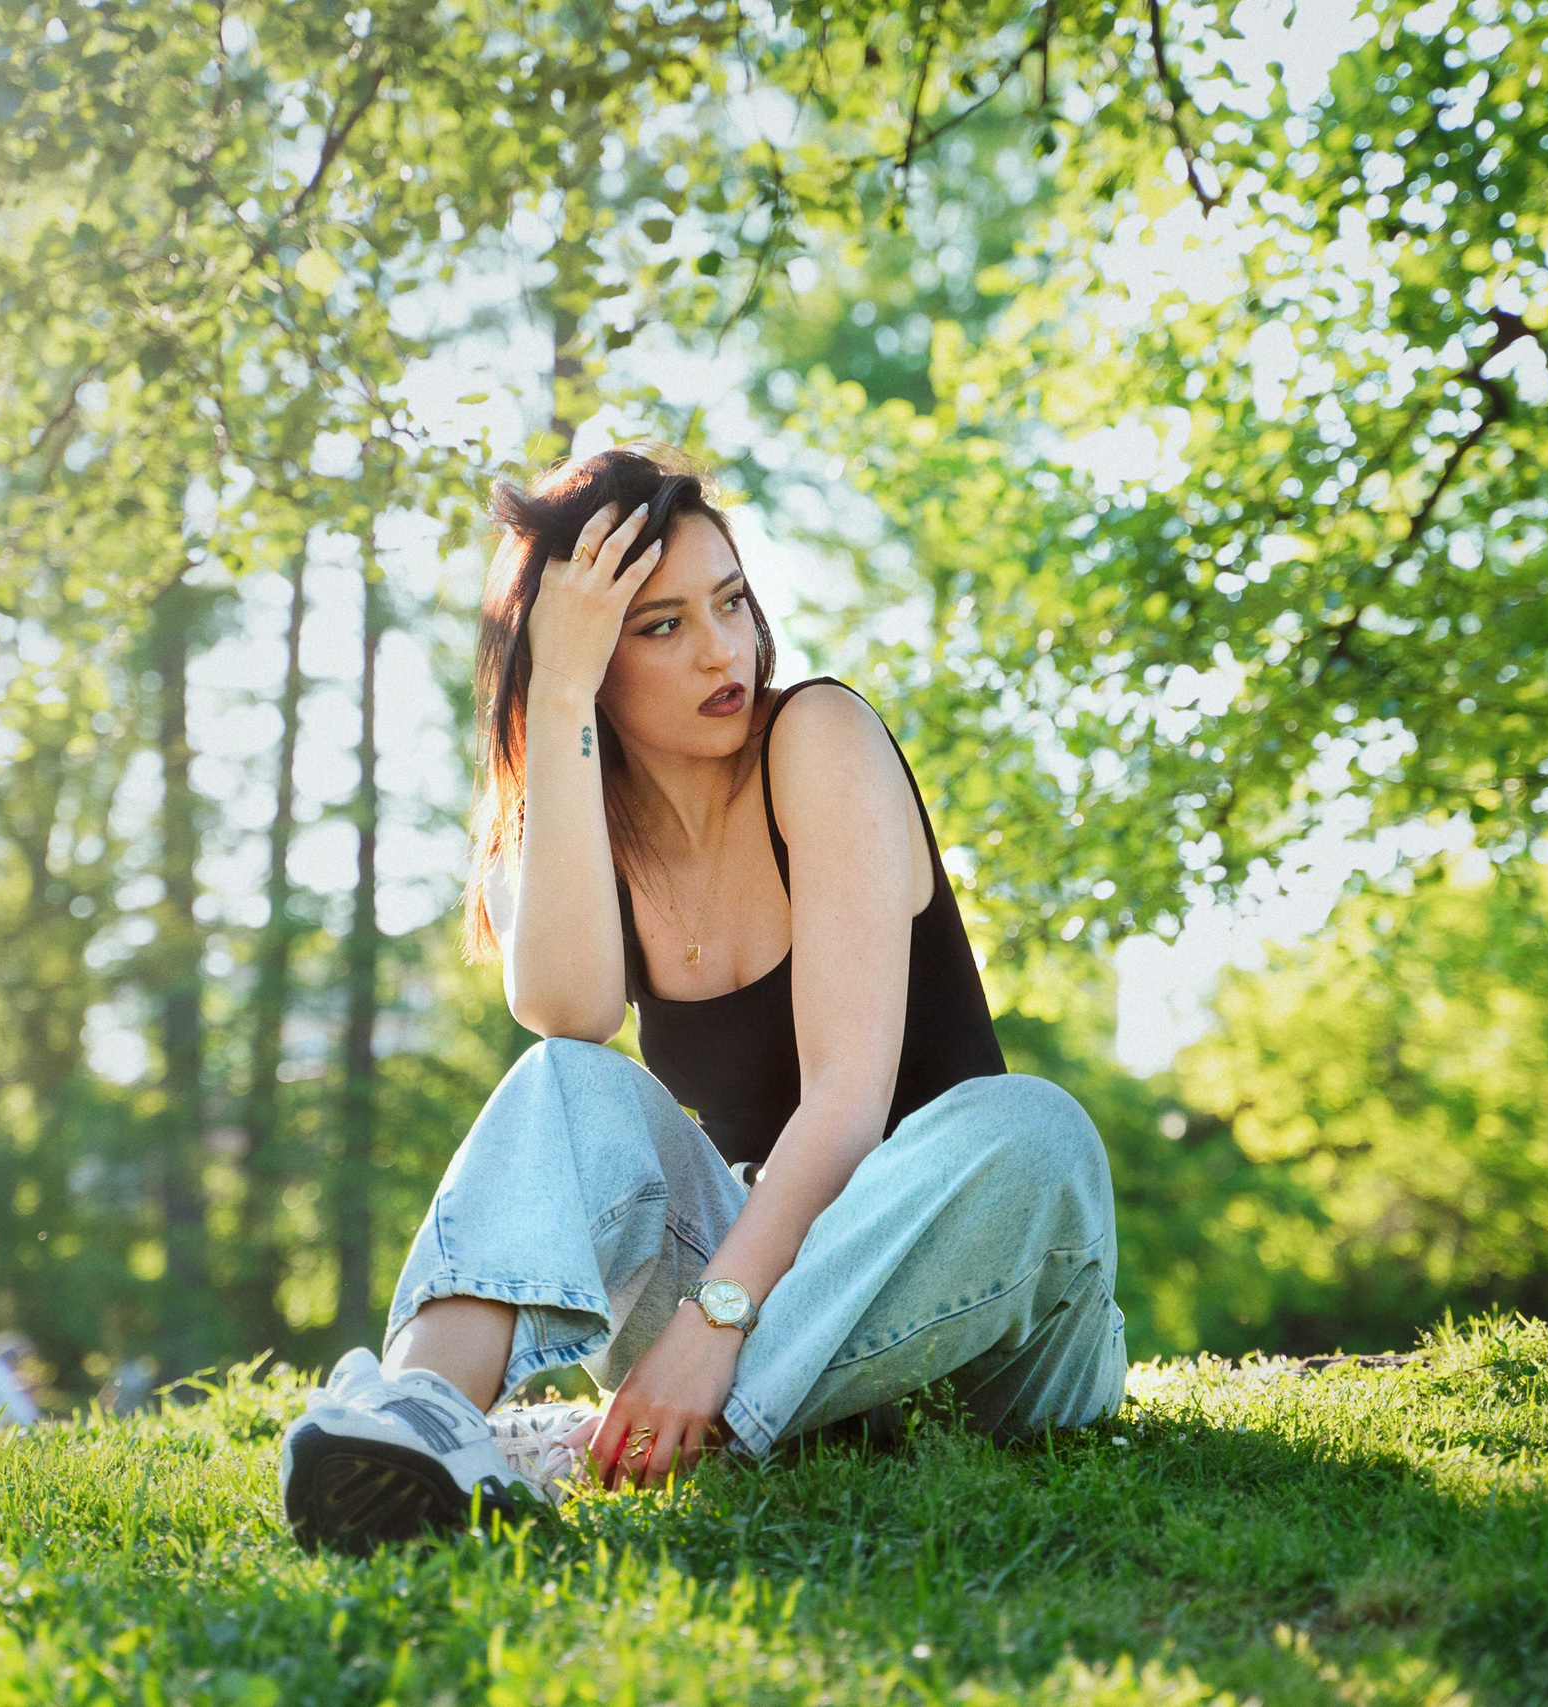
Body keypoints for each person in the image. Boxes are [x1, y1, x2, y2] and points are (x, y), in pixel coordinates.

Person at [278, 444, 1126, 1554]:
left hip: (976, 1314)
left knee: (1031, 1129)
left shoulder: (819, 737)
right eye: (661, 626)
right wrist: (559, 696)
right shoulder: (574, 828)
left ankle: (597, 1445)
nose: (724, 649)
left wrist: (713, 1323)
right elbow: (570, 1018)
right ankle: (421, 1420)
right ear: (587, 653)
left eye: (729, 601)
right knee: (562, 1079)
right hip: (763, 1331)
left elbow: (846, 1104)